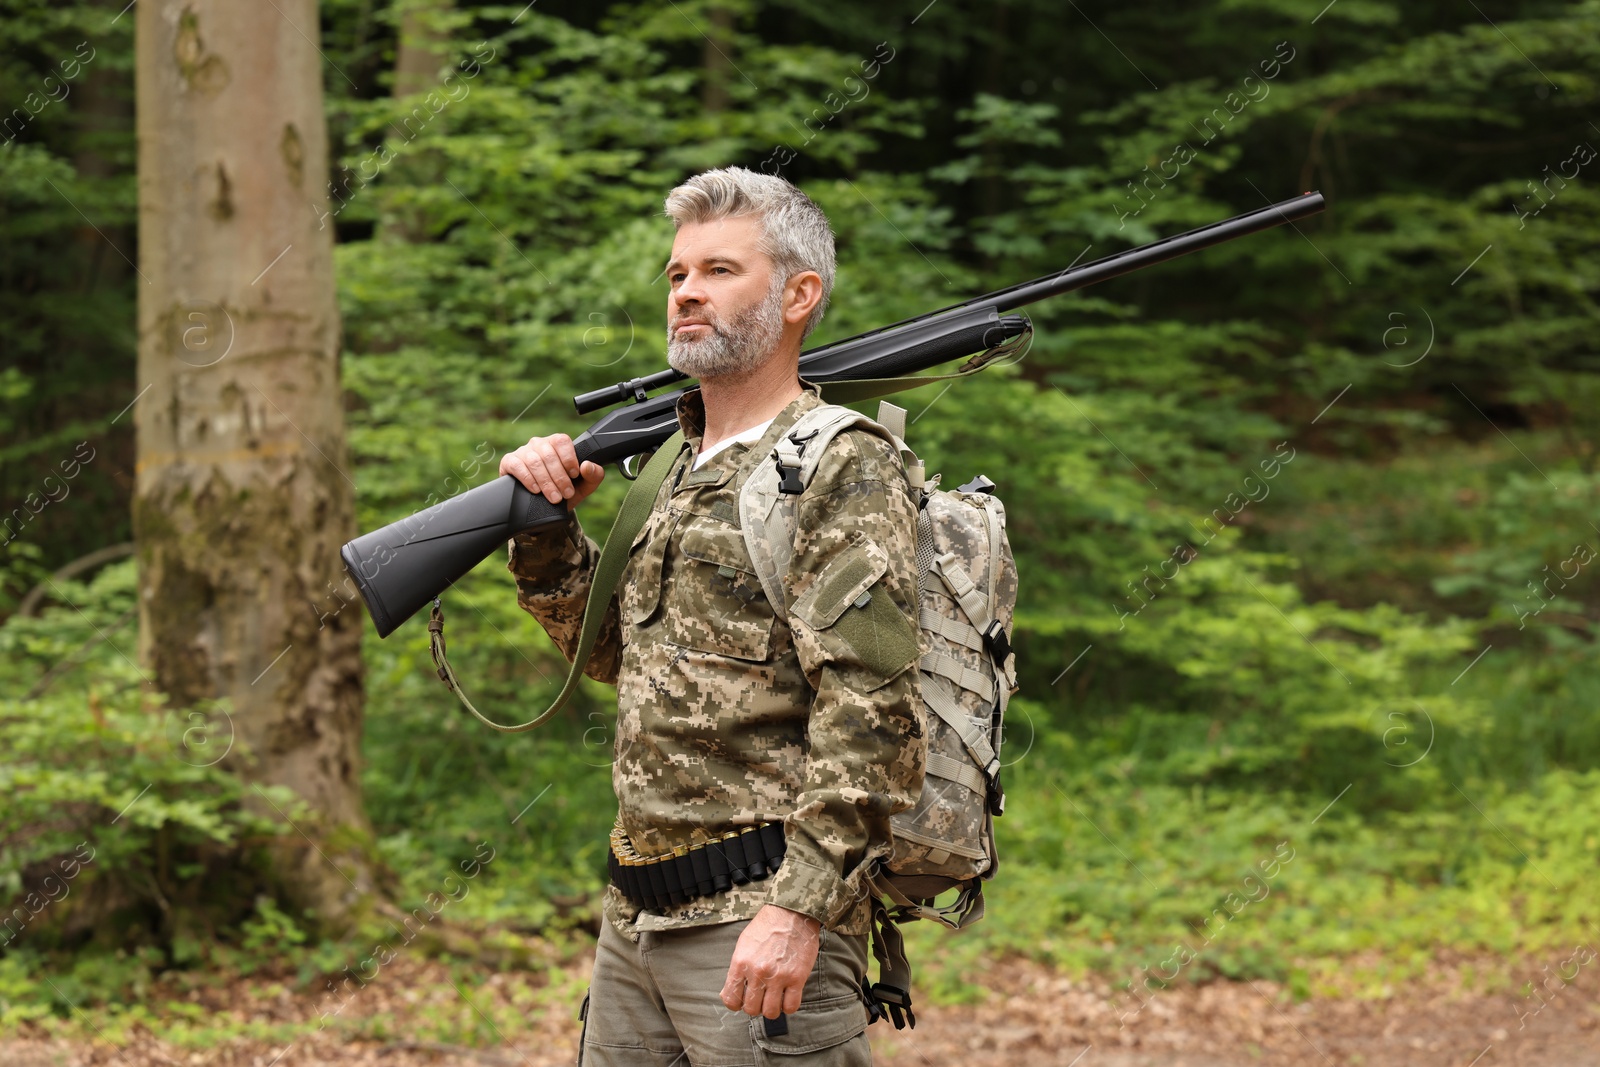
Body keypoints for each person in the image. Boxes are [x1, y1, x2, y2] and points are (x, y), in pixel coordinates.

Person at [499, 166, 926, 1066]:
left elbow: (874, 709)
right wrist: (544, 528)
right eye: (677, 273)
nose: (687, 290)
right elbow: (619, 656)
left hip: (757, 925)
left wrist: (800, 908)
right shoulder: (670, 466)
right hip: (634, 918)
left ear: (799, 294)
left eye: (721, 270)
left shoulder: (836, 463)